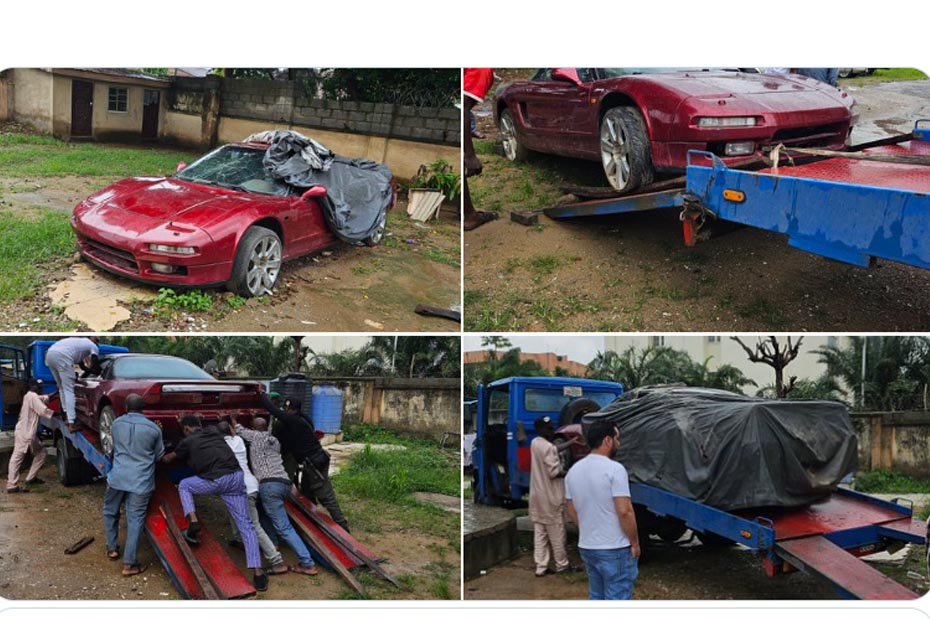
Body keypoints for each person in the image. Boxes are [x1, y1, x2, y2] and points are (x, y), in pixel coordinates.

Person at [162, 415, 268, 591]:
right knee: (246, 526)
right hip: (235, 478)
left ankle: (194, 522)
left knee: (185, 485)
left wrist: (160, 456)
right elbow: (218, 426)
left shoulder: (187, 442)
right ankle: (258, 575)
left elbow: (169, 458)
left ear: (187, 429)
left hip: (215, 480)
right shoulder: (213, 431)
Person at [230, 413, 320, 576]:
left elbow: (238, 429)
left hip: (268, 485)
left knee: (284, 527)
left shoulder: (255, 436)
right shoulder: (275, 441)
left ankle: (307, 564)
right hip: (284, 482)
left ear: (254, 427)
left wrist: (232, 418)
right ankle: (273, 544)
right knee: (263, 512)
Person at [564, 421, 640, 600]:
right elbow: (624, 511)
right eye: (617, 439)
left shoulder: (573, 471)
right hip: (615, 549)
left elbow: (571, 508)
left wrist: (589, 529)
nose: (618, 444)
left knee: (596, 596)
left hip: (588, 547)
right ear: (607, 440)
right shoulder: (615, 469)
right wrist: (635, 543)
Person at [258, 392, 349, 531]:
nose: (284, 411)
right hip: (315, 460)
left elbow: (274, 411)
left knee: (326, 496)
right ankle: (310, 521)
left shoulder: (293, 420)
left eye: (286, 409)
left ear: (289, 409)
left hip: (314, 463)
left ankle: (344, 529)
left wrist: (262, 396)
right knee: (307, 493)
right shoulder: (305, 419)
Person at [216, 420, 289, 577]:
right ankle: (239, 540)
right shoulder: (239, 440)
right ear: (231, 431)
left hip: (242, 488)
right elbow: (237, 431)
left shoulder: (218, 447)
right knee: (234, 512)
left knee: (254, 526)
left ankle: (277, 561)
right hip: (250, 484)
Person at [103, 393, 164, 576]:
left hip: (118, 478)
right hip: (140, 481)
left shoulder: (116, 424)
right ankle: (129, 564)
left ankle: (112, 548)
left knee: (110, 511)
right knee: (135, 520)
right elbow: (159, 456)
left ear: (127, 407)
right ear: (143, 408)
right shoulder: (153, 429)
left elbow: (114, 446)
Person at [529, 415, 572, 577]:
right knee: (557, 533)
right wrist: (571, 471)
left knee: (540, 534)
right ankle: (562, 565)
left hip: (536, 497)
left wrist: (570, 443)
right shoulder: (548, 447)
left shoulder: (535, 443)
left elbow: (552, 449)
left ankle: (541, 567)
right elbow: (554, 472)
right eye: (548, 428)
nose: (551, 430)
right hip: (551, 498)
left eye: (551, 427)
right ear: (540, 429)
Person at [463, 68, 498, 231]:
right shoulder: (481, 69)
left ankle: (469, 214)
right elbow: (462, 110)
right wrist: (470, 155)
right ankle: (469, 216)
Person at [6, 381, 54, 493]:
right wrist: (58, 415)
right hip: (26, 433)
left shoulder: (30, 396)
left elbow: (45, 398)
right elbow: (43, 411)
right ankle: (11, 485)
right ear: (33, 387)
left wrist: (56, 393)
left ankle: (30, 478)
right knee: (17, 457)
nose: (40, 388)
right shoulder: (32, 396)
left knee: (41, 452)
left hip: (25, 432)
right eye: (38, 386)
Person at [45, 337, 100, 432]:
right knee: (69, 390)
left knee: (62, 388)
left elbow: (82, 366)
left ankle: (66, 416)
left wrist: (89, 371)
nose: (98, 343)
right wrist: (98, 371)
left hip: (50, 354)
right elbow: (95, 363)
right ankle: (71, 423)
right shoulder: (92, 346)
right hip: (62, 356)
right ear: (94, 340)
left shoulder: (79, 343)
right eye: (97, 340)